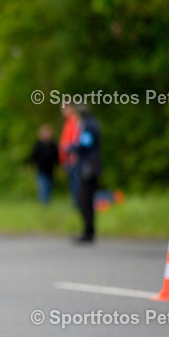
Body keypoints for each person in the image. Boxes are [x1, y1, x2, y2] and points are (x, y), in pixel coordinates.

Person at [68, 105, 102, 243]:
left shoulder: (88, 125)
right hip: (91, 165)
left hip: (89, 167)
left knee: (84, 199)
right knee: (86, 199)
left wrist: (71, 147)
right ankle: (88, 231)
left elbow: (86, 144)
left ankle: (88, 232)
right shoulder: (92, 123)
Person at [28, 124, 58, 205]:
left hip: (51, 170)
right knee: (43, 187)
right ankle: (44, 204)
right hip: (41, 170)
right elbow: (34, 156)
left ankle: (48, 202)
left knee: (50, 187)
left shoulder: (53, 145)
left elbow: (56, 157)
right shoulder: (38, 145)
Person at [59, 102, 80, 206]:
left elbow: (76, 140)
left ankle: (78, 206)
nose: (63, 112)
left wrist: (73, 154)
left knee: (76, 185)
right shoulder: (68, 122)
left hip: (73, 159)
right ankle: (75, 205)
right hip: (68, 159)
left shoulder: (75, 121)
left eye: (64, 109)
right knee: (72, 185)